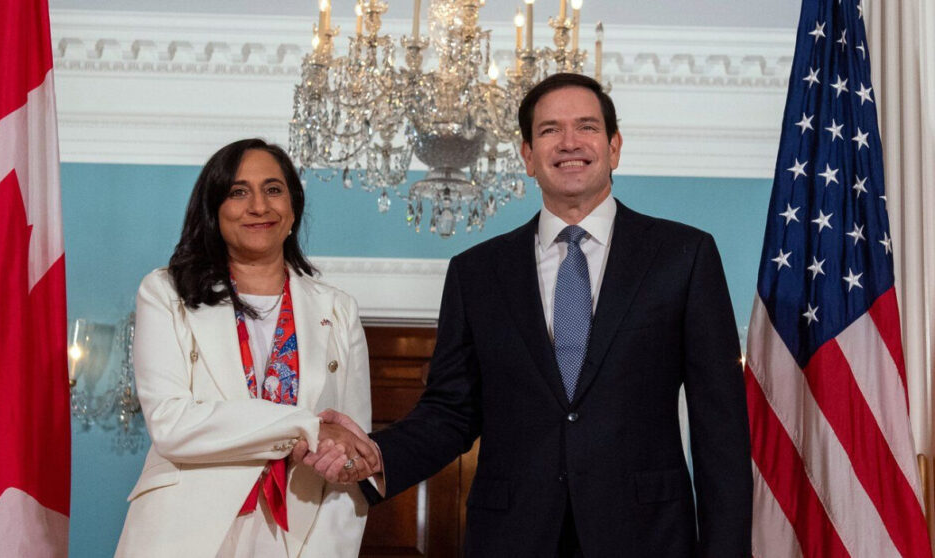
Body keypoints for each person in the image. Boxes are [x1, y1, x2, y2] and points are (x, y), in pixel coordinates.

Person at [315, 74, 753, 556]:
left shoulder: (683, 256)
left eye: (586, 127)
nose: (569, 142)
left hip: (648, 536)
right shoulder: (476, 272)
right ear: (527, 156)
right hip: (511, 537)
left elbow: (721, 429)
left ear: (614, 146)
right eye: (549, 130)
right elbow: (450, 412)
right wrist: (379, 452)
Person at [115, 139, 379, 558]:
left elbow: (349, 453)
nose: (258, 206)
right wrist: (304, 426)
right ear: (214, 209)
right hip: (184, 535)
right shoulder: (165, 293)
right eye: (238, 192)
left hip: (300, 535)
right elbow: (173, 425)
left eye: (273, 189)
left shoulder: (338, 309)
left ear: (293, 207)